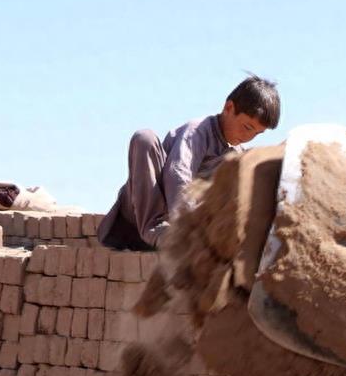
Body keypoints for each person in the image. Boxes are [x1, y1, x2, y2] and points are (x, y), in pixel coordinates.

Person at [97, 75, 280, 251]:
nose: (248, 136)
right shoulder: (197, 132)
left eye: (256, 133)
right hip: (140, 219)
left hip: (181, 230)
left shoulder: (235, 154)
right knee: (145, 138)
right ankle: (157, 230)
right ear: (229, 108)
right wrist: (187, 232)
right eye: (247, 127)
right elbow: (178, 176)